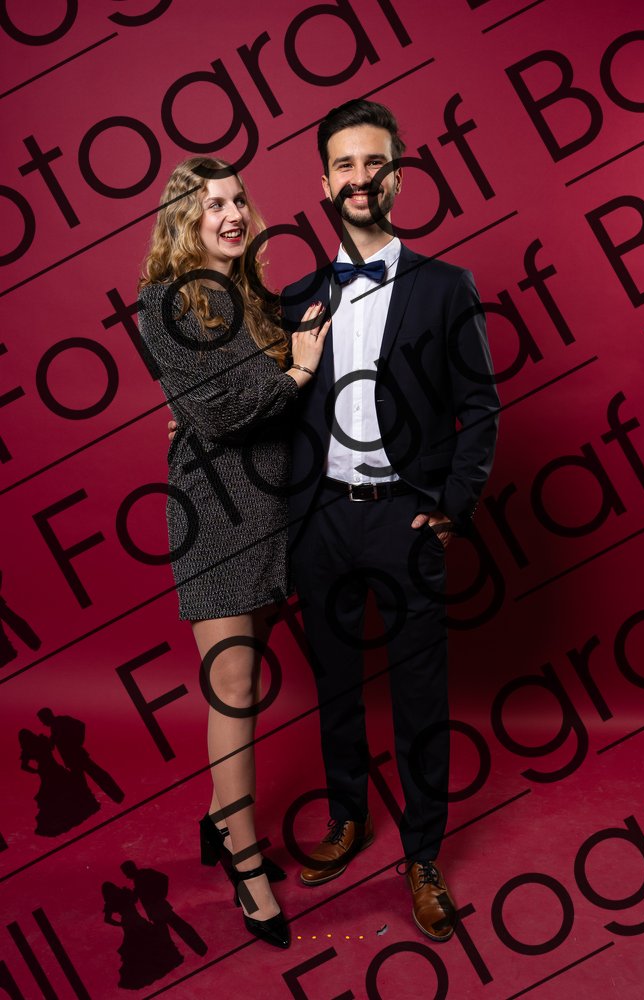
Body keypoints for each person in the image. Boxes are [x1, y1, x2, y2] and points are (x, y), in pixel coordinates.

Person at [280, 99, 500, 942]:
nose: (360, 177)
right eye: (345, 164)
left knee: (417, 694)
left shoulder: (447, 287)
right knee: (336, 684)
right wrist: (195, 424)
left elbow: (480, 407)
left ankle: (422, 854)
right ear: (324, 182)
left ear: (399, 176)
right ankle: (347, 815)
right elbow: (272, 407)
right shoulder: (297, 296)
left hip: (405, 520)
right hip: (322, 522)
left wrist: (451, 507)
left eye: (374, 162)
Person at [138, 156, 329, 949]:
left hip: (275, 511)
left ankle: (221, 817)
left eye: (238, 199)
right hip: (215, 518)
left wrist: (286, 375)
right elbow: (218, 415)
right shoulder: (164, 302)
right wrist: (297, 371)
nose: (232, 213)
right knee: (235, 686)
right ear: (183, 220)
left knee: (249, 675)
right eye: (213, 203)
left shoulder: (252, 299)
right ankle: (246, 864)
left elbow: (240, 404)